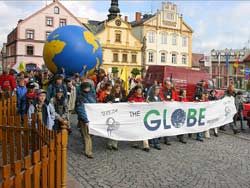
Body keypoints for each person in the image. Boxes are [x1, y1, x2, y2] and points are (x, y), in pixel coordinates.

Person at [75, 82, 96, 159]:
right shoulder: (80, 97)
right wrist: (85, 120)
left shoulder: (92, 96)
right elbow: (80, 109)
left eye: (88, 87)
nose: (88, 89)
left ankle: (87, 149)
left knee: (89, 135)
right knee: (87, 135)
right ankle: (88, 152)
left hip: (92, 118)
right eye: (86, 87)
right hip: (85, 120)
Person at [128, 85, 150, 152]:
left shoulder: (143, 97)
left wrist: (147, 102)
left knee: (144, 130)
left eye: (140, 90)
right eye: (138, 90)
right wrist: (130, 102)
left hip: (142, 116)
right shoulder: (132, 97)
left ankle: (146, 145)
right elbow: (127, 104)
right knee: (135, 129)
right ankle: (134, 142)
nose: (139, 91)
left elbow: (145, 105)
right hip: (135, 117)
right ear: (136, 91)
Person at [104, 84, 126, 150]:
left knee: (117, 129)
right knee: (111, 128)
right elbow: (105, 102)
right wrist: (108, 102)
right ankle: (109, 143)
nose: (118, 90)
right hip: (112, 114)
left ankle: (115, 144)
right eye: (117, 88)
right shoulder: (110, 95)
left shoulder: (121, 96)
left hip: (119, 114)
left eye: (119, 88)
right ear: (114, 89)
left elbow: (124, 103)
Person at [147, 86, 162, 150]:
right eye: (157, 90)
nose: (158, 91)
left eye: (158, 90)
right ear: (154, 90)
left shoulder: (159, 97)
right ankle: (156, 143)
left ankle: (153, 141)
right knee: (153, 129)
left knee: (156, 129)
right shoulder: (150, 97)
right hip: (151, 115)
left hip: (157, 115)